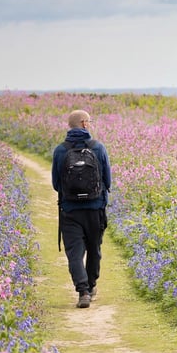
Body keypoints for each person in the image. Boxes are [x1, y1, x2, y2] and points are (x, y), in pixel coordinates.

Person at [52, 109, 112, 308]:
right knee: (94, 249)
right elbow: (108, 180)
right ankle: (92, 285)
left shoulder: (60, 150)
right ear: (85, 124)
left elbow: (55, 184)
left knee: (75, 254)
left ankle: (83, 291)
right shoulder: (98, 147)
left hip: (70, 211)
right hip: (95, 209)